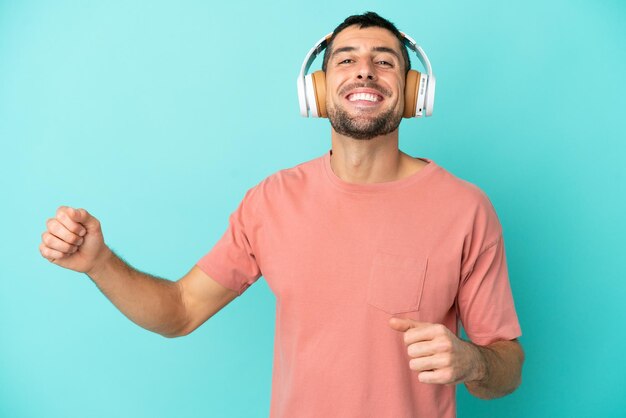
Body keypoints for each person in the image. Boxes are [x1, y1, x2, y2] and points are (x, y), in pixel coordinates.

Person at [39, 12, 524, 418]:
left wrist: (473, 363)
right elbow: (181, 312)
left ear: (416, 90)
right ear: (316, 90)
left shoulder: (465, 209)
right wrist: (99, 263)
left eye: (384, 61)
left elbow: (508, 366)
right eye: (346, 60)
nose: (365, 72)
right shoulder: (271, 201)